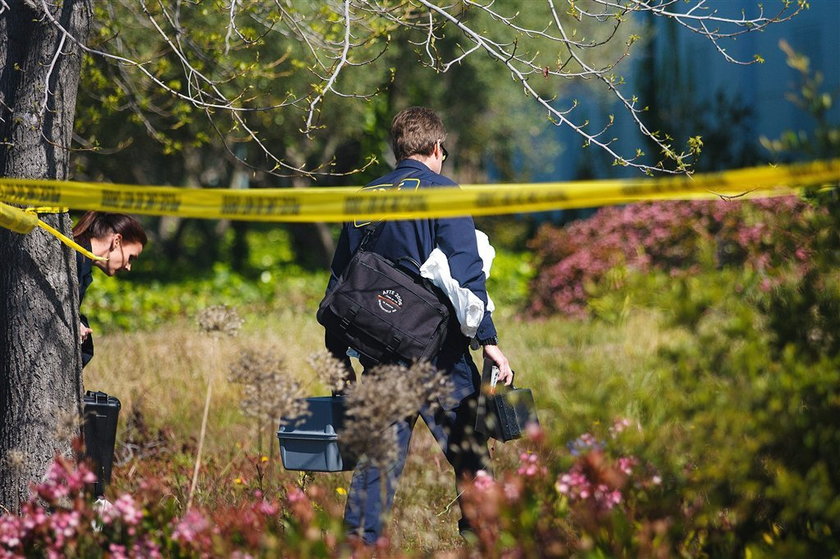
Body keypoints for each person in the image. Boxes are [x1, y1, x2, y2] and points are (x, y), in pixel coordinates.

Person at [324, 106, 514, 544]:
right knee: (469, 454)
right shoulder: (443, 192)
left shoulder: (365, 199)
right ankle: (482, 541)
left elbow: (340, 284)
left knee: (376, 463)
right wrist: (488, 340)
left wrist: (338, 359)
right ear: (434, 147)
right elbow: (468, 273)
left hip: (381, 354)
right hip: (440, 355)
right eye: (443, 151)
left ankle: (358, 548)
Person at [72, 211, 147, 367]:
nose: (128, 267)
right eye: (131, 257)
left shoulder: (81, 265)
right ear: (117, 241)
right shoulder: (73, 261)